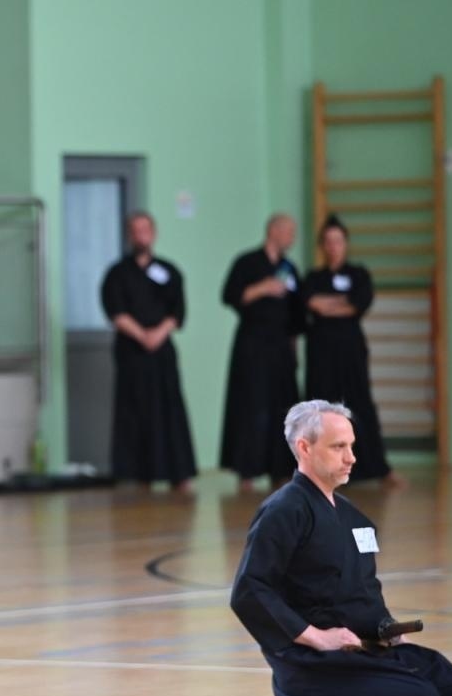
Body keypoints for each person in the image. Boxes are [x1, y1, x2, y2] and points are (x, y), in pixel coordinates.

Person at [229, 400, 452, 696]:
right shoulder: (283, 510)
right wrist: (317, 637)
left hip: (366, 650)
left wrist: (390, 631)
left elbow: (363, 588)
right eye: (338, 447)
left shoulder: (354, 517)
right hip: (315, 662)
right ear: (304, 448)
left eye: (351, 446)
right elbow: (249, 591)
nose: (351, 458)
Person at [299, 216, 403, 487]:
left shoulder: (359, 274)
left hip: (351, 349)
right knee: (320, 408)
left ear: (345, 244)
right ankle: (315, 471)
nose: (333, 246)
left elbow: (358, 304)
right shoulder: (313, 277)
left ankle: (379, 469)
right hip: (321, 350)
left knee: (359, 403)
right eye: (328, 241)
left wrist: (330, 304)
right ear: (322, 245)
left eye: (338, 241)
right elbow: (313, 304)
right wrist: (339, 303)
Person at [99, 211, 196, 490]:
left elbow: (177, 312)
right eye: (135, 230)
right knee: (134, 411)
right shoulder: (117, 274)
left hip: (162, 350)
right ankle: (138, 474)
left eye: (145, 229)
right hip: (131, 351)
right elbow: (116, 312)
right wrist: (142, 335)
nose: (141, 235)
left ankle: (178, 473)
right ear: (129, 235)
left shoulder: (169, 271)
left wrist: (158, 334)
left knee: (169, 409)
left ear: (153, 233)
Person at [219, 214, 302, 492]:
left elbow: (296, 315)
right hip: (252, 344)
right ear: (273, 231)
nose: (292, 237)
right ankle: (247, 471)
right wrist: (262, 288)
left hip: (280, 346)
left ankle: (281, 470)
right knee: (251, 404)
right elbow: (230, 296)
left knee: (283, 407)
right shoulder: (247, 263)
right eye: (288, 231)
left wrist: (294, 351)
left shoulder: (289, 268)